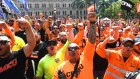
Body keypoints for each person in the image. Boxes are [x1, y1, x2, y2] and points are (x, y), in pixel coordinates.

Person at [52, 11, 96, 79]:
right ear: (68, 52)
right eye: (70, 49)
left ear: (79, 50)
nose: (73, 50)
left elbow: (91, 41)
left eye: (75, 48)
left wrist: (92, 22)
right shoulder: (60, 69)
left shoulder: (86, 57)